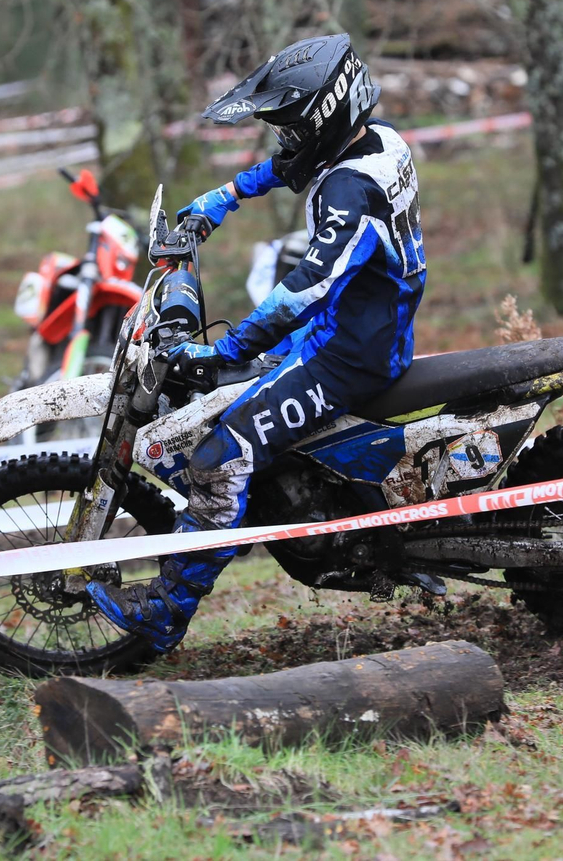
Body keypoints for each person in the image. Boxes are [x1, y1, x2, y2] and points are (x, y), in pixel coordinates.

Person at [87, 33, 426, 651]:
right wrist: (223, 198)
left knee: (224, 451)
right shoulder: (377, 140)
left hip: (347, 353)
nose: (284, 141)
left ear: (324, 118)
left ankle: (168, 606)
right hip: (355, 329)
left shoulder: (351, 192)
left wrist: (229, 347)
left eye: (291, 128)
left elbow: (306, 288)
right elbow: (294, 166)